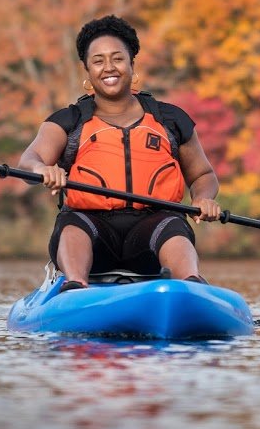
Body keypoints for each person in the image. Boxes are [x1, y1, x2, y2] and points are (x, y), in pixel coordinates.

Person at [18, 15, 222, 291]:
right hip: (91, 231)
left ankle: (192, 285)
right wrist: (43, 170)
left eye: (117, 58)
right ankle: (75, 286)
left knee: (173, 227)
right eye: (98, 61)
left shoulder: (170, 120)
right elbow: (29, 161)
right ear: (87, 71)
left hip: (153, 234)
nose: (108, 68)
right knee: (73, 224)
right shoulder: (68, 121)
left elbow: (203, 174)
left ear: (131, 63)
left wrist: (203, 198)